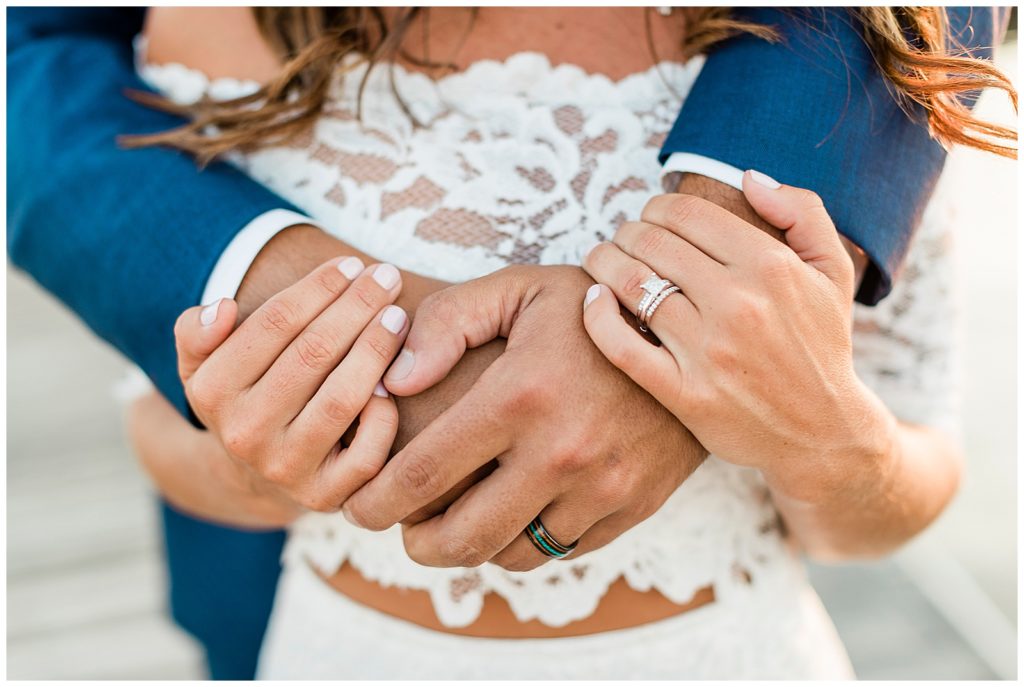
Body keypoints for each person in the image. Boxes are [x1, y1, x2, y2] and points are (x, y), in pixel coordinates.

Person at [6, 5, 1011, 679]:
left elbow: (893, 486)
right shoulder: (222, 26)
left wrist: (822, 436)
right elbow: (156, 425)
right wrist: (295, 456)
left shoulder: (872, 54)